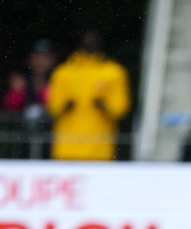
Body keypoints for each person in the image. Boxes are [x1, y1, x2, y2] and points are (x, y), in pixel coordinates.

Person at [47, 31, 131, 161]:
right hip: (67, 147)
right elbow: (52, 106)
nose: (89, 43)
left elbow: (120, 108)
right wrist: (65, 106)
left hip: (99, 149)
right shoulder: (63, 72)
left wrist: (104, 107)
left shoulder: (114, 72)